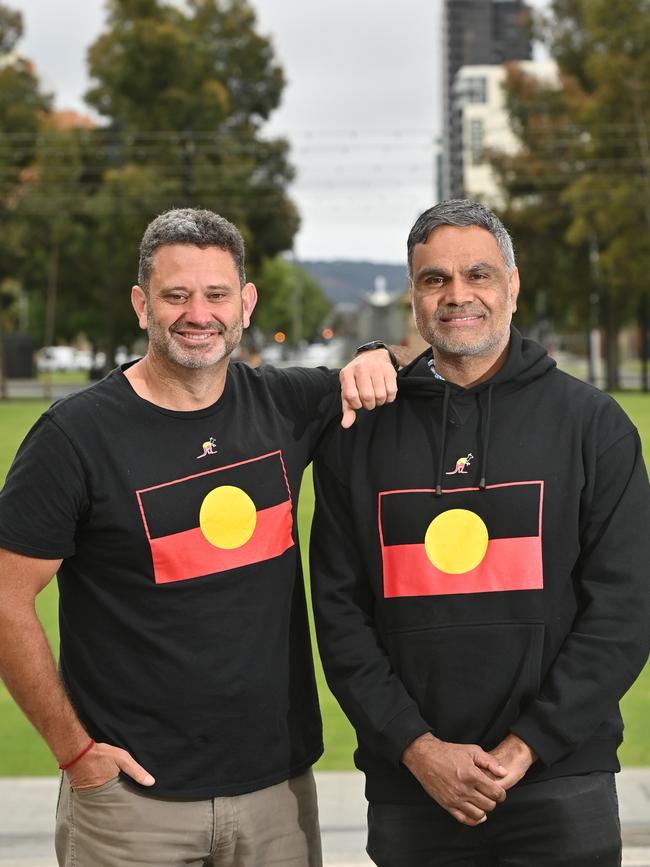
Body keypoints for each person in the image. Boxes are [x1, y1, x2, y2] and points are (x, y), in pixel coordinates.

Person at [0, 207, 399, 867]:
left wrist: (373, 352)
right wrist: (74, 750)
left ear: (245, 302)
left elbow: (381, 383)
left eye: (216, 294)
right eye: (175, 294)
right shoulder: (75, 436)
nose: (198, 313)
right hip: (131, 807)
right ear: (141, 304)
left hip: (277, 796)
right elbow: (8, 596)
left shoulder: (288, 404)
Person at [310, 199, 650, 866]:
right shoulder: (360, 436)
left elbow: (625, 609)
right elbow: (340, 618)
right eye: (434, 279)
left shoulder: (592, 425)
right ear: (412, 295)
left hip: (561, 781)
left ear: (513, 284)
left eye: (478, 275)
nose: (457, 295)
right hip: (414, 790)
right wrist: (418, 748)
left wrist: (527, 746)